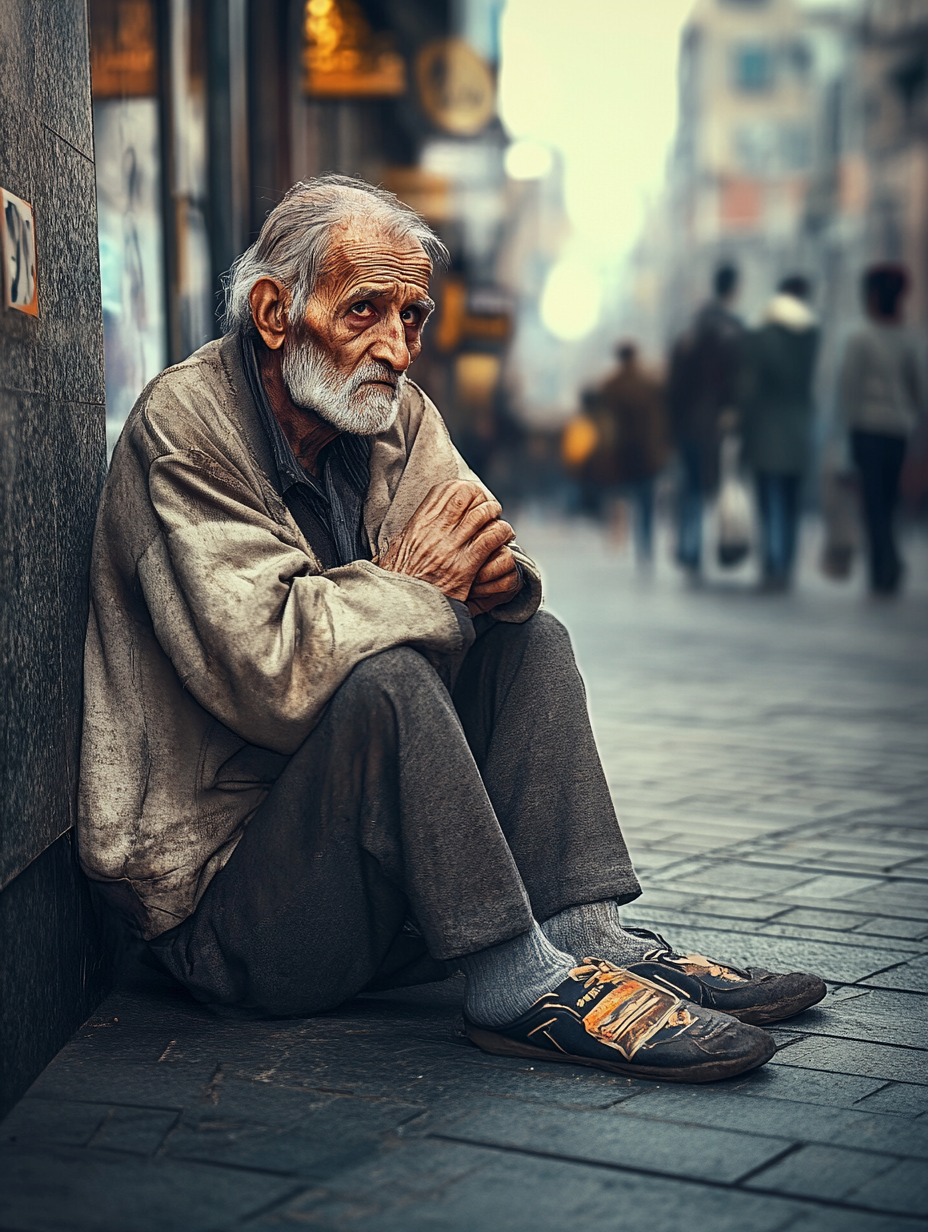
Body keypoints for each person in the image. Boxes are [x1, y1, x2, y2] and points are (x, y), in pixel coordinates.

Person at [78, 176, 825, 1085]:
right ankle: (515, 983)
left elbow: (489, 559)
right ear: (276, 314)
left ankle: (588, 936)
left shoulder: (387, 411)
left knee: (531, 642)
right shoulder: (184, 428)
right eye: (365, 311)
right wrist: (414, 587)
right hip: (236, 919)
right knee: (386, 683)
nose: (397, 348)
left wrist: (493, 581)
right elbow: (268, 669)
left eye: (413, 315)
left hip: (374, 897)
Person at [838, 265, 924, 595]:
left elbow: (848, 389)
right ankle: (889, 560)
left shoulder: (859, 339)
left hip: (867, 429)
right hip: (899, 431)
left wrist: (845, 435)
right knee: (890, 501)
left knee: (873, 502)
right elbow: (920, 390)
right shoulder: (910, 339)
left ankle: (883, 565)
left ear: (872, 299)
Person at [741, 276, 819, 591]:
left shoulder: (760, 334)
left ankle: (772, 564)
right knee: (790, 502)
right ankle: (785, 563)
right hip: (799, 427)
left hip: (765, 428)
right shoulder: (812, 334)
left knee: (768, 500)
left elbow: (749, 386)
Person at [667, 264, 745, 578]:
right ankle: (698, 547)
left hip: (687, 422)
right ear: (733, 289)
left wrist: (673, 421)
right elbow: (738, 381)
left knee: (691, 486)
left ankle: (690, 548)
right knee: (708, 484)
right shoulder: (732, 330)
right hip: (715, 423)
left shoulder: (691, 332)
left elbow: (674, 383)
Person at [594, 342, 669, 563]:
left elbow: (605, 423)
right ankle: (645, 546)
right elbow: (659, 420)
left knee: (619, 496)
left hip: (621, 450)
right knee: (646, 500)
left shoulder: (610, 386)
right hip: (646, 451)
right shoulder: (649, 383)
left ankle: (617, 537)